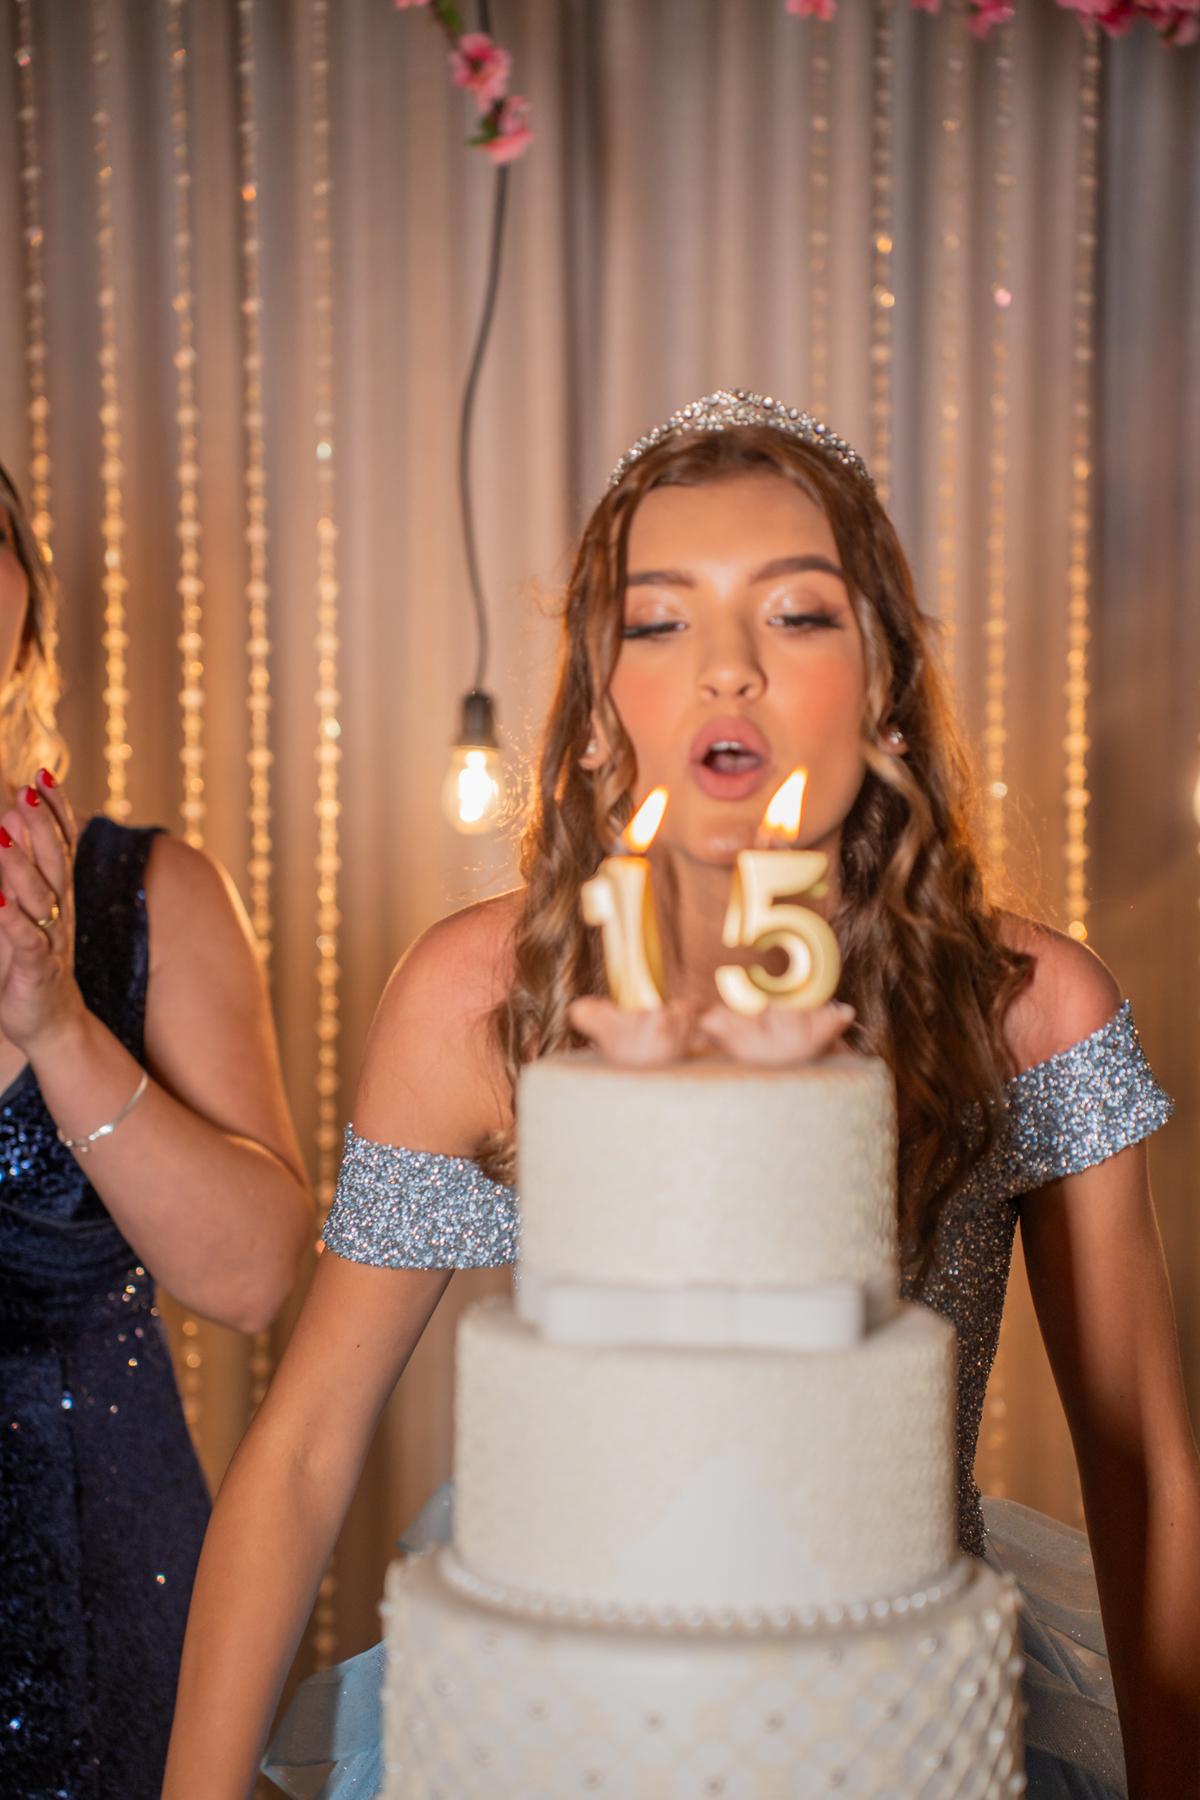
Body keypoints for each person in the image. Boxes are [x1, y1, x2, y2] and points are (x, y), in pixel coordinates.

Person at [165, 394, 1200, 1800]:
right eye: (659, 622)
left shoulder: (1032, 1011)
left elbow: (1140, 1467)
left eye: (797, 614)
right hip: (564, 1735)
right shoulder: (479, 1000)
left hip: (909, 1732)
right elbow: (301, 1454)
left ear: (885, 686)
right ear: (599, 708)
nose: (729, 670)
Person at [0, 463, 312, 1800]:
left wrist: (58, 1023)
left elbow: (256, 1277)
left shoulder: (150, 894)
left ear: (24, 612)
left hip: (108, 1591)